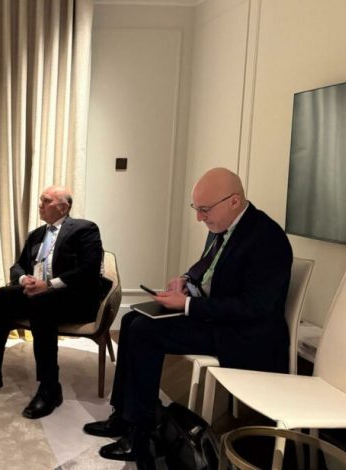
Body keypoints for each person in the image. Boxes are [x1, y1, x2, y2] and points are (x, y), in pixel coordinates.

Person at [84, 168, 292, 468]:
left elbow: (254, 307)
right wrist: (185, 280)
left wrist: (188, 305)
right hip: (216, 319)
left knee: (144, 332)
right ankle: (124, 415)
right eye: (196, 208)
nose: (199, 218)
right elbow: (208, 267)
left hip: (244, 334)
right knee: (132, 321)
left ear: (234, 201)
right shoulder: (223, 224)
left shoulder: (267, 238)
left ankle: (141, 434)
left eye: (204, 210)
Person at [0, 186, 107, 419]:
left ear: (63, 207)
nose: (40, 205)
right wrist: (23, 279)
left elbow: (88, 271)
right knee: (2, 296)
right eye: (41, 200)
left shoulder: (84, 229)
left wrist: (48, 285)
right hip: (40, 295)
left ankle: (50, 387)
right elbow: (18, 266)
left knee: (42, 303)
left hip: (73, 298)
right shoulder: (37, 234)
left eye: (46, 201)